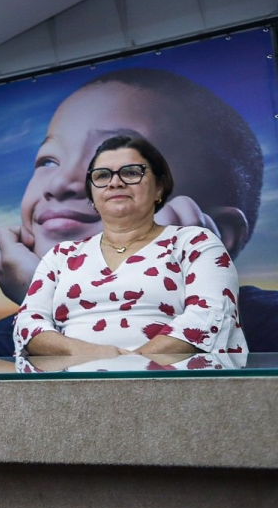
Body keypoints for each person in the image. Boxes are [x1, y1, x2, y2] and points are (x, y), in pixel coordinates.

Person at [0, 68, 271, 353]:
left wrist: (117, 362)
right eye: (48, 161)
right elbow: (29, 329)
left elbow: (207, 323)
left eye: (131, 172)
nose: (60, 183)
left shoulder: (264, 316)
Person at [14, 134, 247, 357]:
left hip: (176, 384)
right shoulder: (61, 256)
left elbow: (211, 316)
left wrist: (132, 365)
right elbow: (28, 323)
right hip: (75, 383)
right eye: (102, 176)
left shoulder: (195, 244)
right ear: (92, 194)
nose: (115, 182)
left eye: (131, 172)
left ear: (159, 187)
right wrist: (89, 355)